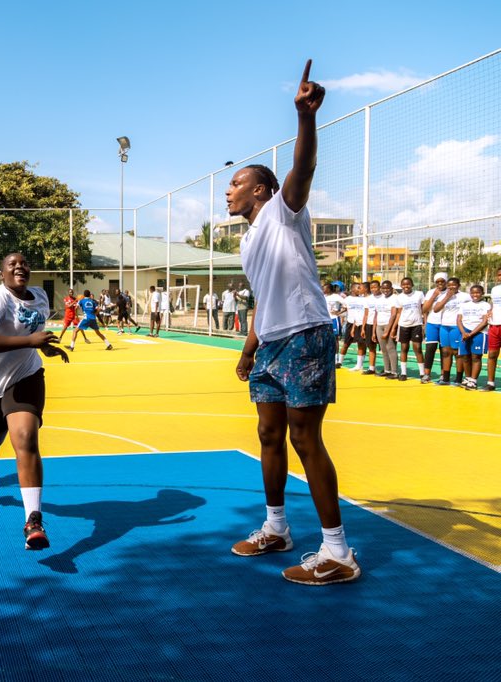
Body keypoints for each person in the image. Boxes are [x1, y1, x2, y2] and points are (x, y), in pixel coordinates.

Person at [228, 60, 360, 585]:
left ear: (262, 191)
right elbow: (263, 297)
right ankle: (277, 528)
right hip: (271, 343)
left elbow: (301, 170)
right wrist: (247, 348)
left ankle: (338, 552)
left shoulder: (285, 211)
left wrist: (305, 119)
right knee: (268, 433)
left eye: (237, 183)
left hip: (306, 334)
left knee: (306, 439)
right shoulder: (247, 240)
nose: (229, 190)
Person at [0, 252, 69, 550]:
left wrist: (45, 349)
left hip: (25, 376)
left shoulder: (39, 297)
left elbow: (33, 335)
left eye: (24, 263)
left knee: (25, 438)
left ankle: (33, 520)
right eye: (11, 264)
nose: (19, 267)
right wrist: (30, 342)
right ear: (3, 274)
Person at [433, 276, 470, 387]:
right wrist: (447, 298)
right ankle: (446, 378)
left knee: (457, 353)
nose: (451, 287)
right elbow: (435, 309)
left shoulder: (465, 297)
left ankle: (458, 379)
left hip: (456, 326)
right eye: (449, 285)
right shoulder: (443, 296)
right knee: (445, 352)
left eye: (454, 285)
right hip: (444, 326)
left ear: (458, 285)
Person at [456, 284, 490, 390]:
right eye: (473, 292)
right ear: (470, 294)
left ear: (482, 293)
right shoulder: (464, 305)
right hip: (465, 331)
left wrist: (471, 334)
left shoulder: (486, 305)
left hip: (479, 332)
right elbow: (458, 320)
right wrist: (463, 332)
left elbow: (484, 322)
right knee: (465, 356)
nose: (475, 295)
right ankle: (468, 378)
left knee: (476, 357)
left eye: (478, 292)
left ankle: (474, 381)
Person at [393, 277, 425, 382]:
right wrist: (395, 327)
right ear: (401, 286)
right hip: (403, 325)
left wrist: (424, 323)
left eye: (408, 284)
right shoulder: (399, 297)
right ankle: (403, 373)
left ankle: (422, 373)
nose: (406, 286)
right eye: (404, 284)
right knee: (404, 348)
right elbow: (398, 313)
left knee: (418, 348)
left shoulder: (419, 294)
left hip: (416, 324)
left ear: (412, 285)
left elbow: (424, 309)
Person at [421, 274, 448, 384]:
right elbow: (424, 309)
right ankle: (427, 374)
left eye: (442, 281)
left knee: (444, 351)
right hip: (432, 323)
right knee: (430, 348)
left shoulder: (451, 293)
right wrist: (433, 296)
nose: (440, 283)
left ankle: (443, 375)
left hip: (445, 324)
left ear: (446, 281)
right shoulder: (431, 292)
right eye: (438, 281)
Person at [373, 280, 399, 379]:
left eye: (388, 288)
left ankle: (394, 372)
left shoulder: (394, 298)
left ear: (391, 289)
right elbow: (376, 314)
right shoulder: (379, 299)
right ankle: (387, 370)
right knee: (383, 349)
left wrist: (388, 330)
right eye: (383, 288)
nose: (385, 290)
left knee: (391, 348)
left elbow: (393, 314)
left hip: (389, 325)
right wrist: (374, 331)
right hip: (379, 325)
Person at [359, 281, 380, 375]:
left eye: (376, 287)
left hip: (381, 324)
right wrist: (363, 327)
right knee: (371, 347)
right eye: (372, 287)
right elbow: (366, 314)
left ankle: (389, 369)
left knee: (385, 347)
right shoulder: (368, 299)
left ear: (379, 287)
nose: (374, 289)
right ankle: (372, 368)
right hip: (369, 325)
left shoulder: (383, 297)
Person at [485, 268, 501, 392]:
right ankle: (490, 383)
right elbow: (494, 304)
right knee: (492, 354)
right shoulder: (495, 289)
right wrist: (489, 311)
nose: (500, 277)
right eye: (499, 275)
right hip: (494, 325)